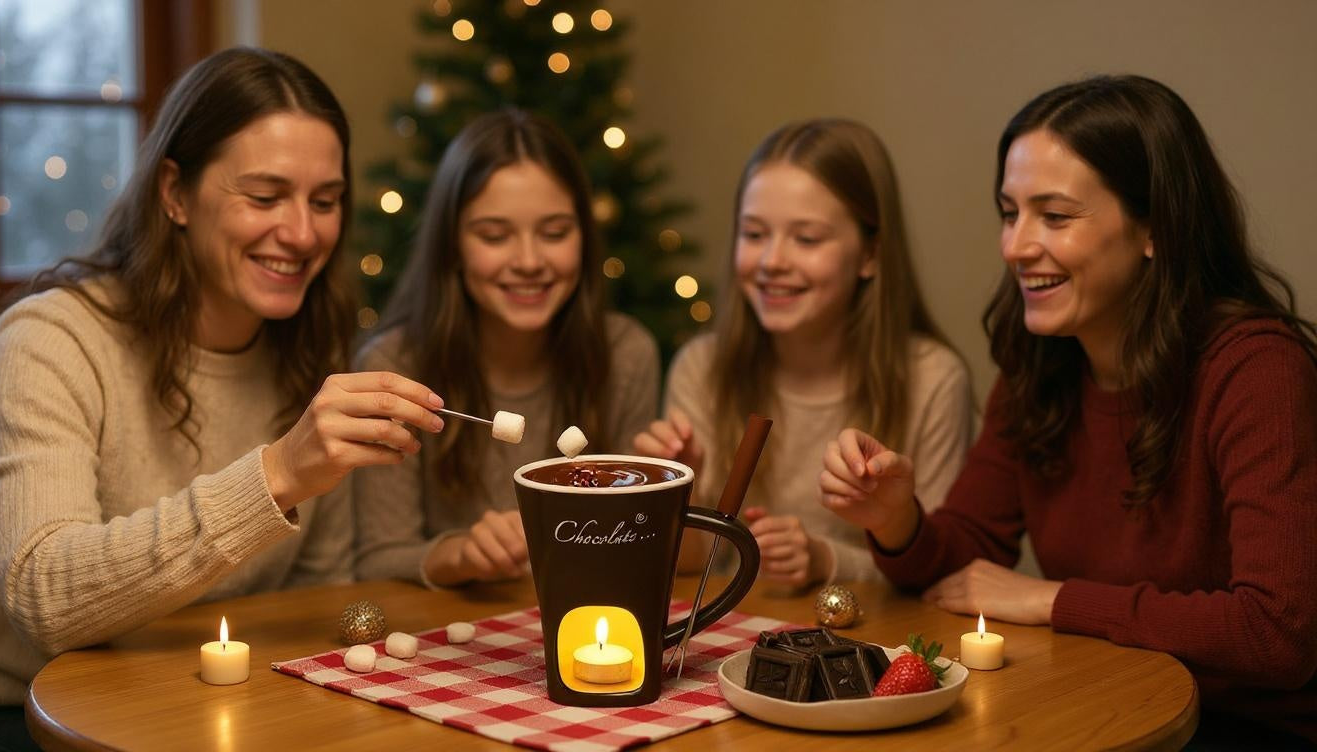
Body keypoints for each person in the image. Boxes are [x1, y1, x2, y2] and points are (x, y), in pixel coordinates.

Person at [0, 48, 444, 749]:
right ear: (174, 193)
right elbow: (44, 600)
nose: (302, 233)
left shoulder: (310, 349)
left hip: (200, 708)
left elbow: (317, 596)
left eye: (324, 201)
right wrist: (277, 475)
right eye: (264, 197)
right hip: (10, 716)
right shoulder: (50, 339)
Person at [821, 75, 1317, 745]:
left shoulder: (1257, 370)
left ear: (1154, 229)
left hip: (1242, 730)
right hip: (1100, 701)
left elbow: (1278, 631)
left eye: (1054, 216)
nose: (1016, 246)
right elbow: (958, 574)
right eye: (1009, 212)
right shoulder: (1043, 362)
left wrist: (1050, 599)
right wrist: (897, 520)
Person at [634, 119, 974, 588]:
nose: (773, 261)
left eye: (807, 239)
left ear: (871, 253)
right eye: (754, 235)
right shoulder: (703, 368)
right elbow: (690, 564)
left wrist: (824, 560)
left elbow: (938, 566)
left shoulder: (930, 378)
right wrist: (676, 499)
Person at [353, 109, 659, 588]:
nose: (529, 261)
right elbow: (377, 560)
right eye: (495, 236)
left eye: (555, 233)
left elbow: (642, 538)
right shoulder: (396, 368)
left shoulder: (625, 354)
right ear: (452, 245)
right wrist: (460, 555)